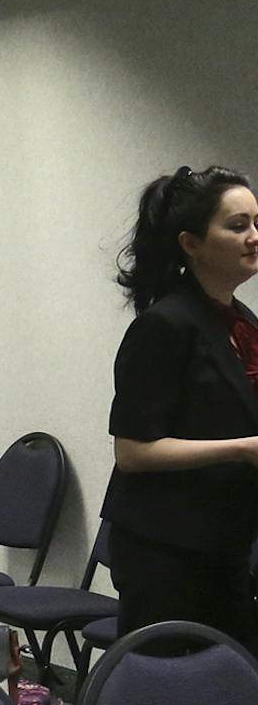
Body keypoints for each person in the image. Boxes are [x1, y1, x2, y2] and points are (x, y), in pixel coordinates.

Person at [102, 166, 258, 648]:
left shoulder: (242, 322)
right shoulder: (164, 325)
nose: (254, 237)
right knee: (173, 680)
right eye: (238, 226)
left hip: (224, 540)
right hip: (165, 549)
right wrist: (242, 449)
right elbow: (132, 452)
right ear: (191, 244)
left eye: (257, 223)